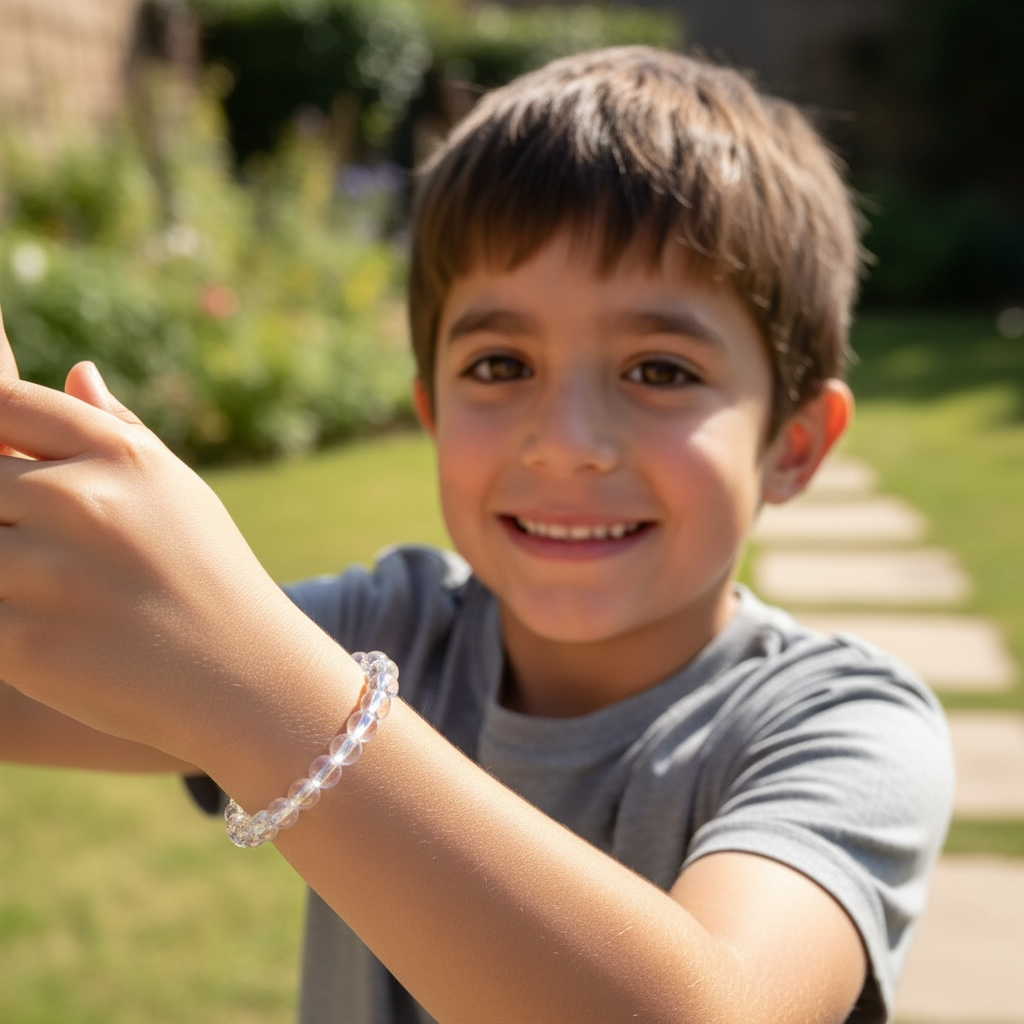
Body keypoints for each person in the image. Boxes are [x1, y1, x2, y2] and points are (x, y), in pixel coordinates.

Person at [0, 46, 953, 1024]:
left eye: (659, 370)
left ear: (792, 445)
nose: (565, 444)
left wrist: (255, 682)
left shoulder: (844, 730)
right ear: (432, 409)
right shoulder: (388, 627)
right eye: (500, 365)